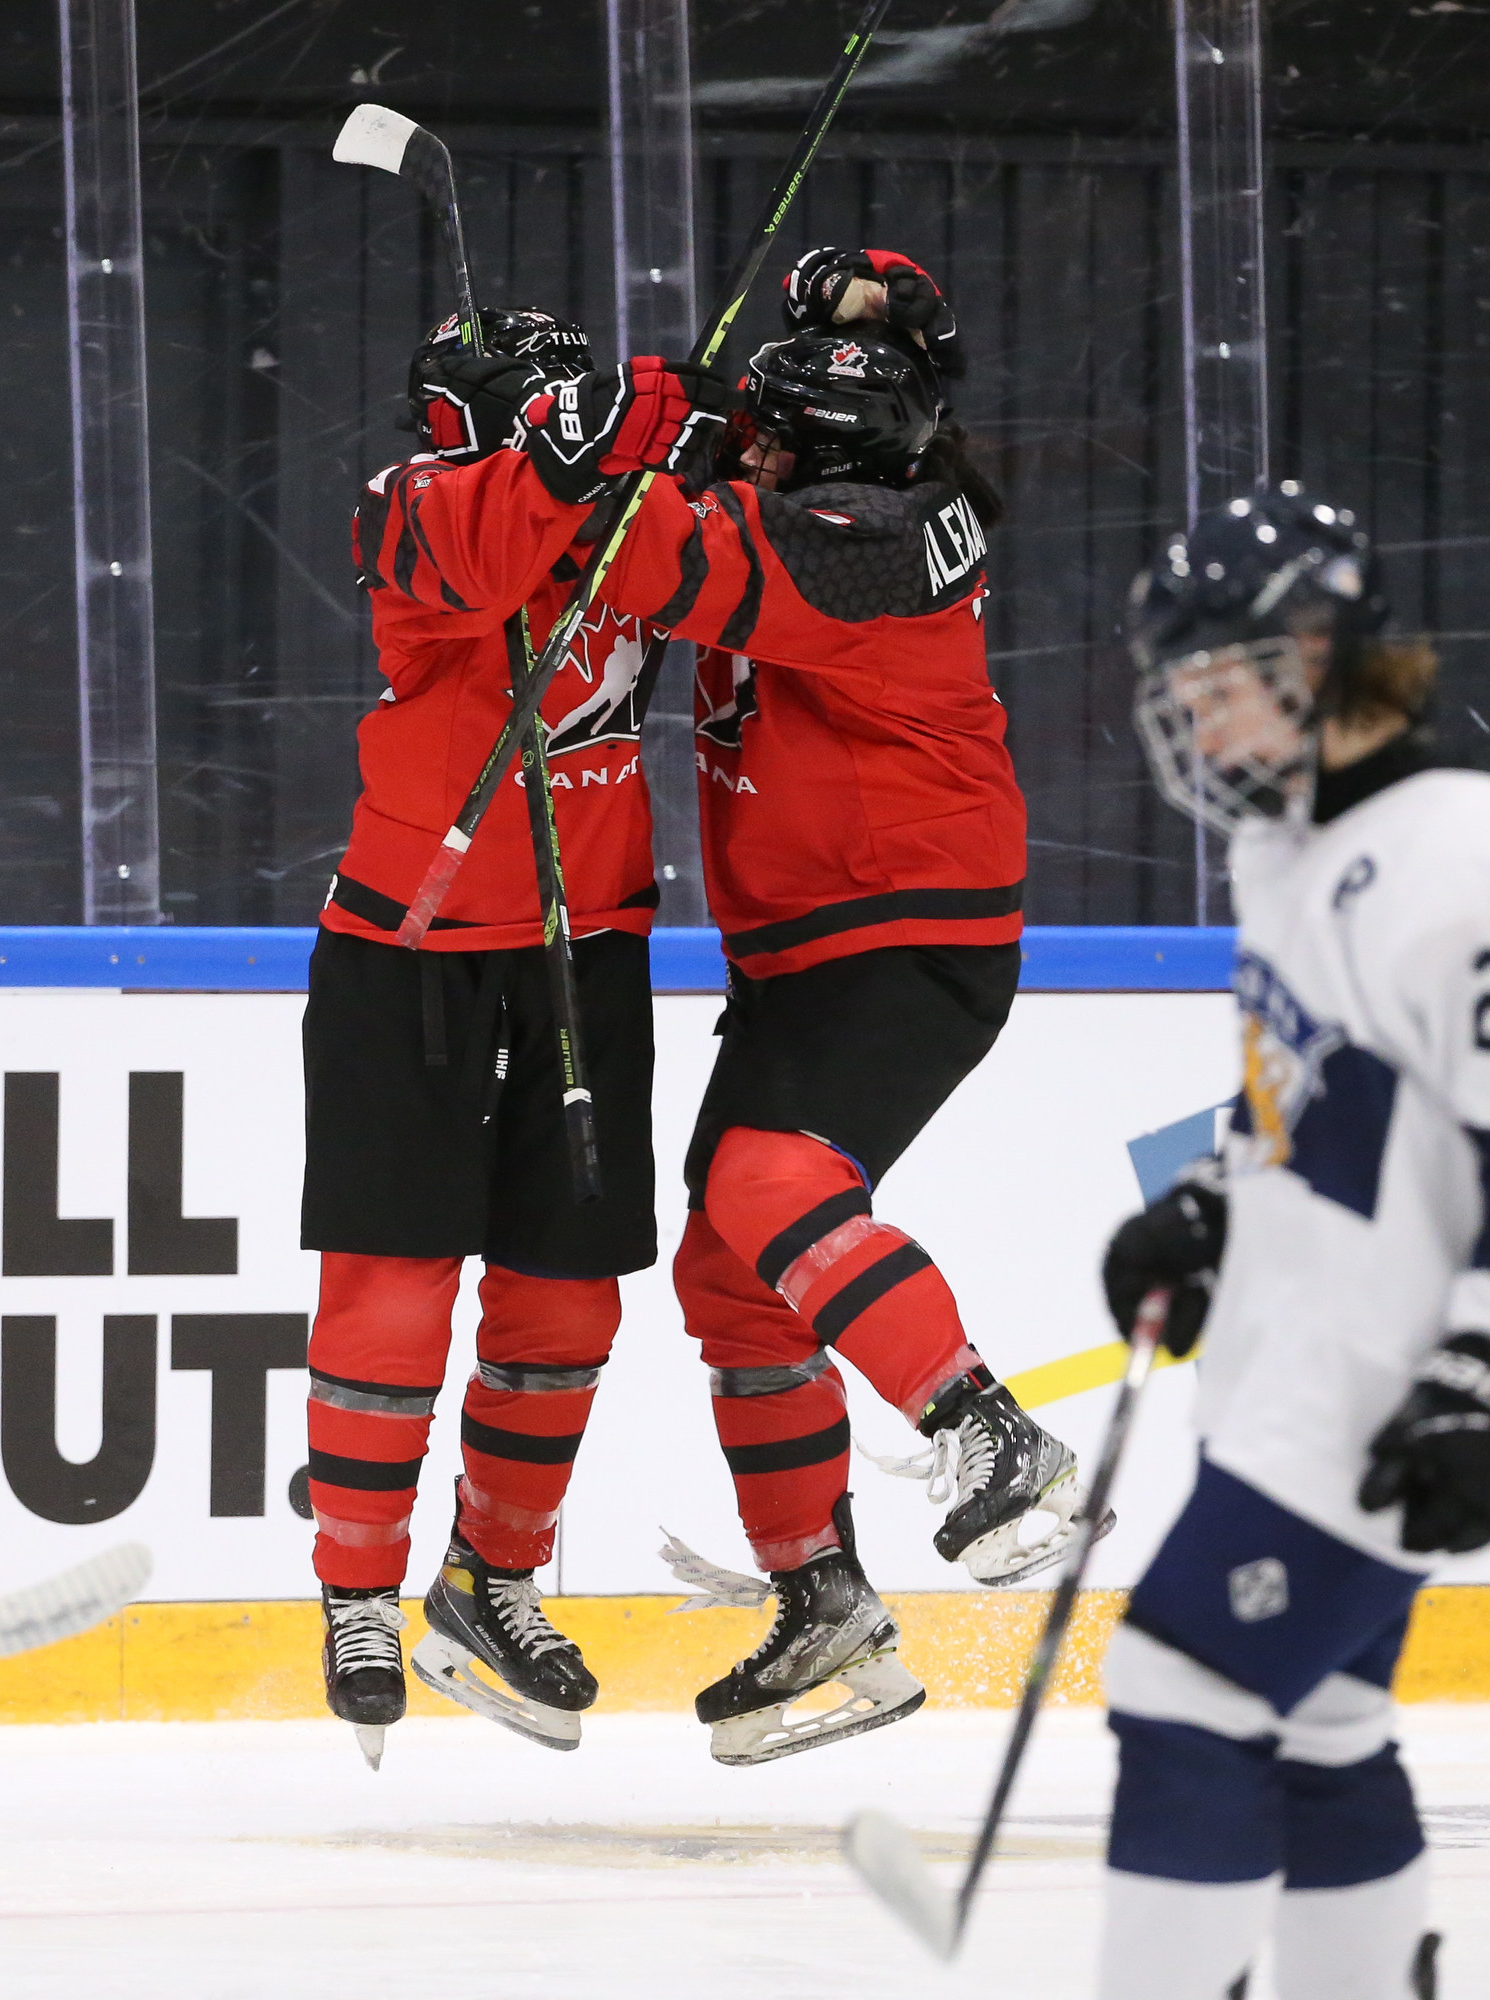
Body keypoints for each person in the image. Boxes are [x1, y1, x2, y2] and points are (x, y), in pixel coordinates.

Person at [584, 245, 1101, 1764]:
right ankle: (827, 1604)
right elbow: (845, 391)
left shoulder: (847, 541)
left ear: (819, 457)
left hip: (906, 929)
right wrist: (850, 309)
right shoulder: (870, 475)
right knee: (733, 1275)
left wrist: (614, 430)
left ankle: (988, 1429)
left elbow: (652, 560)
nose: (750, 444)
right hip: (812, 945)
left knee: (767, 1181)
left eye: (767, 436)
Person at [301, 307, 720, 1766]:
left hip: (582, 943)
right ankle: (357, 1594)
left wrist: (694, 400)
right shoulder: (408, 506)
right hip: (406, 947)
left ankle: (494, 1579)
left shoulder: (616, 503)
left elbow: (712, 457)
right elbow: (480, 558)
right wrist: (569, 445)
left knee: (564, 1304)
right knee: (394, 1295)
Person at [1096, 482, 1490, 1998]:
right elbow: (1301, 1090)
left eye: (1217, 682)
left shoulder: (1452, 858)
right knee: (1322, 1722)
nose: (1194, 722)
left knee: (1179, 1680)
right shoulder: (1290, 850)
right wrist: (1207, 1203)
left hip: (1384, 1387)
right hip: (1301, 1366)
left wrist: (1476, 1372)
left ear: (1318, 654)